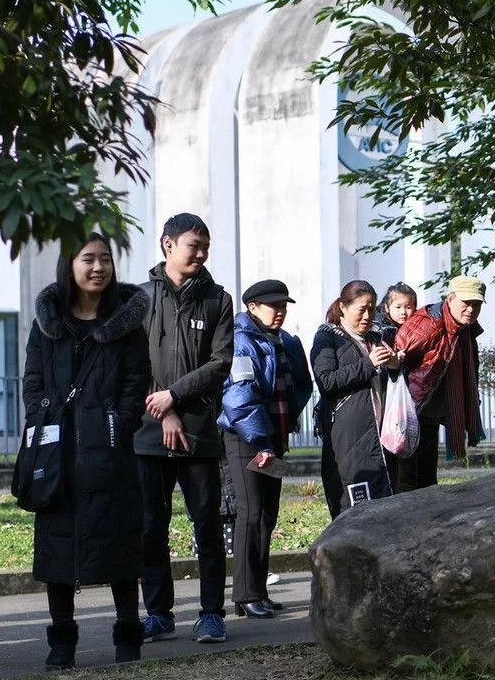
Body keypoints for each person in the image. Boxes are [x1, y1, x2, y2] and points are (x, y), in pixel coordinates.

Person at [22, 234, 151, 669]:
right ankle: (61, 643)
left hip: (110, 454)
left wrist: (118, 422)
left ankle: (128, 638)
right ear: (69, 265)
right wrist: (44, 420)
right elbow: (33, 381)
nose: (99, 268)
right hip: (57, 459)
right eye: (88, 259)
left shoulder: (126, 325)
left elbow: (137, 383)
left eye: (106, 260)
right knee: (57, 553)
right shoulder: (47, 323)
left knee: (120, 550)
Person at [134, 213, 234, 645]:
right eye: (194, 244)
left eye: (206, 246)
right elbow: (131, 365)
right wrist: (163, 409)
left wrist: (175, 397)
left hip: (198, 433)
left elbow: (220, 363)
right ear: (167, 245)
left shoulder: (218, 300)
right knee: (150, 526)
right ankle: (158, 613)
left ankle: (211, 613)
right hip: (149, 432)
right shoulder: (138, 299)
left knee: (207, 526)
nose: (201, 253)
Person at [218, 280, 313, 618]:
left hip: (274, 438)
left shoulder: (286, 341)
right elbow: (238, 395)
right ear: (253, 307)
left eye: (284, 305)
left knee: (267, 515)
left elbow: (302, 384)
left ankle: (258, 591)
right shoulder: (241, 341)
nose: (281, 312)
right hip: (248, 439)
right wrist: (260, 441)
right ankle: (245, 595)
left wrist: (285, 421)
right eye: (274, 306)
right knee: (251, 512)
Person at [310, 281, 401, 518]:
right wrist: (368, 364)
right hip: (349, 440)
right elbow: (327, 382)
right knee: (354, 513)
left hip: (382, 436)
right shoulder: (327, 338)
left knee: (383, 509)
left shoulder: (376, 338)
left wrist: (394, 366)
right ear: (343, 307)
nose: (368, 316)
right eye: (361, 309)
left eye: (372, 309)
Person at [394, 276, 486, 494]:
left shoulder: (466, 329)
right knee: (406, 482)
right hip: (409, 413)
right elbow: (396, 360)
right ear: (450, 298)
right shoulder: (428, 324)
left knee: (427, 480)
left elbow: (471, 369)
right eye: (466, 303)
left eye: (477, 304)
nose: (471, 310)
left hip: (431, 414)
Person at [371, 282, 417, 490]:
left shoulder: (414, 329)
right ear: (387, 308)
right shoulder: (382, 329)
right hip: (385, 397)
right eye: (398, 307)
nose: (404, 312)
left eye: (409, 307)